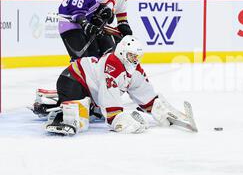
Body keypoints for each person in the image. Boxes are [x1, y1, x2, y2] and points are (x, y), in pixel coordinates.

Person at [44, 36, 196, 135]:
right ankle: (59, 115)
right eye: (132, 56)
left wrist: (160, 109)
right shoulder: (113, 64)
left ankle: (56, 101)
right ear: (123, 52)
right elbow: (109, 97)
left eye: (137, 57)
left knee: (92, 113)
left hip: (91, 91)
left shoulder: (133, 68)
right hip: (72, 80)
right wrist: (116, 117)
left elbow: (145, 92)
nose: (135, 60)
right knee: (80, 119)